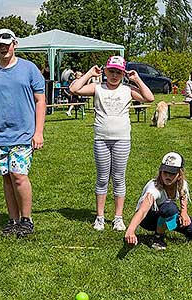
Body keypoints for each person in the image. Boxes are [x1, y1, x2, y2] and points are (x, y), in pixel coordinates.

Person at [70, 55, 154, 231]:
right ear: (105, 71)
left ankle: (118, 217)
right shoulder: (97, 87)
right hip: (101, 138)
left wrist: (137, 79)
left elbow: (149, 98)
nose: (114, 75)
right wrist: (89, 74)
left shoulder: (127, 89)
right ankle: (99, 217)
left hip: (122, 139)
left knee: (118, 178)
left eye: (118, 72)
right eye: (111, 71)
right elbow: (74, 89)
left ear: (123, 74)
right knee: (102, 178)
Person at [0, 28, 46, 238]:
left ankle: (27, 220)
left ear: (14, 44)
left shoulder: (29, 69)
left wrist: (39, 132)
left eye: (6, 44)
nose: (3, 48)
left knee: (19, 176)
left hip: (24, 134)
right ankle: (13, 220)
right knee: (7, 177)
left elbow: (40, 100)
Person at [124, 152, 192, 250]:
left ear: (179, 175)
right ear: (160, 172)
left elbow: (183, 195)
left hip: (168, 214)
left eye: (172, 173)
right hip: (148, 220)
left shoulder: (181, 184)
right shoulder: (153, 189)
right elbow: (142, 211)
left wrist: (184, 213)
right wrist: (131, 230)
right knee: (170, 207)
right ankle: (158, 238)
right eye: (165, 172)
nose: (168, 176)